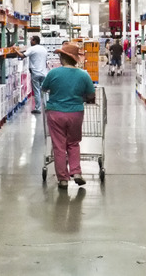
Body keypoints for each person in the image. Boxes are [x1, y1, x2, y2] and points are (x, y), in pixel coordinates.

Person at [42, 42, 96, 189]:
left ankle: (63, 179)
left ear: (63, 57)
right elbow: (91, 94)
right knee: (73, 143)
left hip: (55, 113)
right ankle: (76, 172)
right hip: (75, 113)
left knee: (59, 146)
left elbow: (44, 88)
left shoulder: (53, 73)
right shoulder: (83, 75)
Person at [16, 36, 48, 113]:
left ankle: (38, 108)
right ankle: (47, 107)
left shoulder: (32, 49)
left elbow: (22, 56)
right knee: (44, 91)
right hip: (44, 73)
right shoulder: (44, 49)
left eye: (31, 40)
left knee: (37, 91)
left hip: (35, 73)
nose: (30, 41)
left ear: (35, 41)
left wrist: (15, 50)